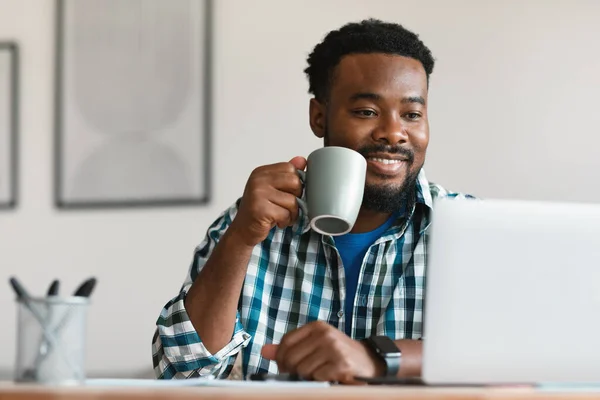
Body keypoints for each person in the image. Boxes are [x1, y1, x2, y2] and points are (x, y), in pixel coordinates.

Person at [152, 18, 474, 383]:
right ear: (319, 117)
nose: (393, 133)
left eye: (412, 115)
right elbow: (183, 372)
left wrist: (374, 357)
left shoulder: (469, 227)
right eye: (366, 112)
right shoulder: (251, 224)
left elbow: (516, 357)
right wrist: (242, 236)